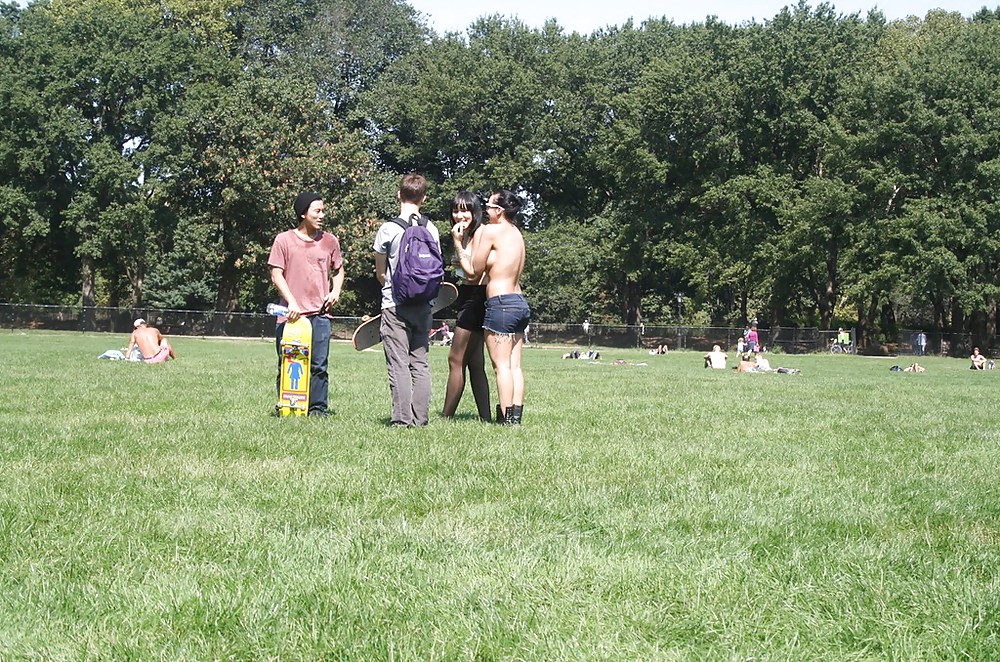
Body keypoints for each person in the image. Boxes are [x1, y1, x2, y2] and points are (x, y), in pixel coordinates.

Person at [268, 191, 345, 417]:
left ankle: (317, 409)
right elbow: (276, 274)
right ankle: (287, 406)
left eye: (323, 211)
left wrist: (335, 290)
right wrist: (291, 301)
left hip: (320, 315)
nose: (322, 215)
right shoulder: (284, 240)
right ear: (303, 214)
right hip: (291, 317)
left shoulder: (330, 241)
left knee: (319, 366)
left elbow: (338, 271)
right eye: (317, 211)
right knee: (289, 363)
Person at [373, 174, 441, 427]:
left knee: (399, 363)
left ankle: (402, 420)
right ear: (423, 199)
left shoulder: (388, 229)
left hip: (396, 304)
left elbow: (381, 271)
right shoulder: (431, 229)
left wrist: (390, 287)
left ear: (399, 195)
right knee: (420, 363)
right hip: (424, 305)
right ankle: (420, 419)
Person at [470, 189, 530, 425]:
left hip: (501, 304)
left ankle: (505, 419)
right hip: (519, 303)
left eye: (489, 205)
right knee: (515, 366)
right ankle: (515, 418)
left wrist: (458, 242)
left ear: (499, 211)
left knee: (501, 367)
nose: (485, 210)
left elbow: (474, 270)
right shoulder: (516, 233)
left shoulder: (490, 231)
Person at [444, 191, 491, 421]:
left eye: (465, 210)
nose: (459, 215)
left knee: (455, 359)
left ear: (475, 211)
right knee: (475, 362)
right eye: (455, 210)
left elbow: (474, 274)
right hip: (466, 295)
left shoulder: (481, 233)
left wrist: (457, 244)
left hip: (477, 297)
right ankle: (485, 417)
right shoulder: (466, 235)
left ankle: (446, 416)